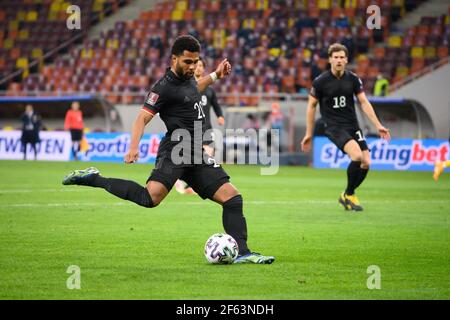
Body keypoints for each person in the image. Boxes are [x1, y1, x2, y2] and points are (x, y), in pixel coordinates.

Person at [62, 35, 274, 264]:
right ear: (174, 59)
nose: (193, 67)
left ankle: (243, 253)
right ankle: (95, 179)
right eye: (188, 62)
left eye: (196, 61)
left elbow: (194, 89)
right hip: (175, 150)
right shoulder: (163, 87)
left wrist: (215, 75)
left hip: (195, 152)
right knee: (149, 198)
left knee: (232, 198)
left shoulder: (189, 79)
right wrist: (133, 147)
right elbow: (141, 118)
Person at [301, 43, 391, 211]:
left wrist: (378, 125)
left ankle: (347, 194)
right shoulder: (321, 82)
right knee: (357, 156)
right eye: (336, 57)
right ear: (330, 60)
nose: (339, 60)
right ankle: (349, 195)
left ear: (347, 59)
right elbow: (311, 107)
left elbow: (364, 102)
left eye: (342, 57)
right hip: (334, 127)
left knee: (366, 162)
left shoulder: (353, 79)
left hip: (352, 125)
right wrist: (308, 133)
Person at [175, 57, 225, 195]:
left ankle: (197, 184)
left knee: (208, 156)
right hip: (190, 128)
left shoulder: (209, 90)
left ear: (203, 69)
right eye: (197, 65)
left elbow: (216, 105)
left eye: (201, 65)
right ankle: (181, 180)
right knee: (192, 156)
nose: (198, 68)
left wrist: (220, 116)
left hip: (206, 127)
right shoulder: (186, 87)